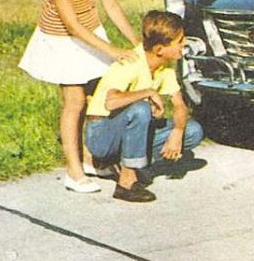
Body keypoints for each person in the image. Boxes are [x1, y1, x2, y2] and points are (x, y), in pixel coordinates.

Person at [18, 0, 140, 194]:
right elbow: (71, 25)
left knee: (95, 96)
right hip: (63, 42)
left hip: (89, 34)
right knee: (74, 103)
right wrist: (111, 51)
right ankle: (73, 172)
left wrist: (135, 41)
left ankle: (89, 158)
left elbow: (110, 3)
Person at [84, 10, 204, 203]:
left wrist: (178, 132)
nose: (184, 45)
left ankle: (127, 165)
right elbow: (111, 101)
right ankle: (126, 183)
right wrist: (147, 92)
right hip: (102, 135)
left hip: (126, 130)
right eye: (180, 41)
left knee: (193, 131)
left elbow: (179, 105)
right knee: (140, 109)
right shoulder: (131, 62)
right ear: (159, 49)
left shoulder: (165, 68)